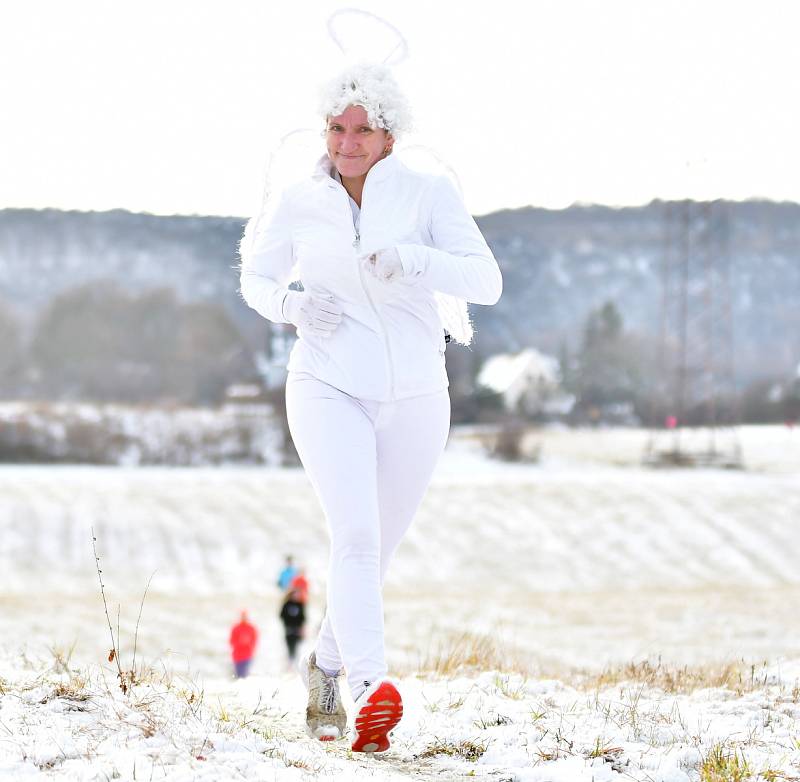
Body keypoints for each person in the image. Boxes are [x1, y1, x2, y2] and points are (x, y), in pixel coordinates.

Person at [239, 62, 502, 753]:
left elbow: (486, 280)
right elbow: (257, 279)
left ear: (390, 136)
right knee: (354, 538)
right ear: (324, 130)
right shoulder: (299, 199)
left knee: (375, 553)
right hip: (327, 385)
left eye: (364, 130)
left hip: (418, 396)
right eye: (337, 127)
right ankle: (367, 690)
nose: (348, 142)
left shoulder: (428, 194)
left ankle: (323, 672)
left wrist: (413, 261)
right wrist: (293, 306)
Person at [279, 588, 306, 664]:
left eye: (297, 594)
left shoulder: (300, 605)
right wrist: (287, 624)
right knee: (290, 646)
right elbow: (281, 615)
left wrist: (302, 629)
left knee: (297, 646)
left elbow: (303, 618)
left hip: (298, 630)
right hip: (289, 629)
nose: (296, 596)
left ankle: (296, 662)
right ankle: (290, 662)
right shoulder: (286, 604)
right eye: (295, 594)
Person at [229, 611, 258, 679]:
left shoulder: (251, 628)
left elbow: (254, 641)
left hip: (247, 656)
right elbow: (231, 641)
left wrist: (247, 643)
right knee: (238, 676)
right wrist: (240, 642)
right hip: (237, 656)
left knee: (244, 675)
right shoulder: (236, 628)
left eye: (245, 616)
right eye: (242, 616)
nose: (244, 618)